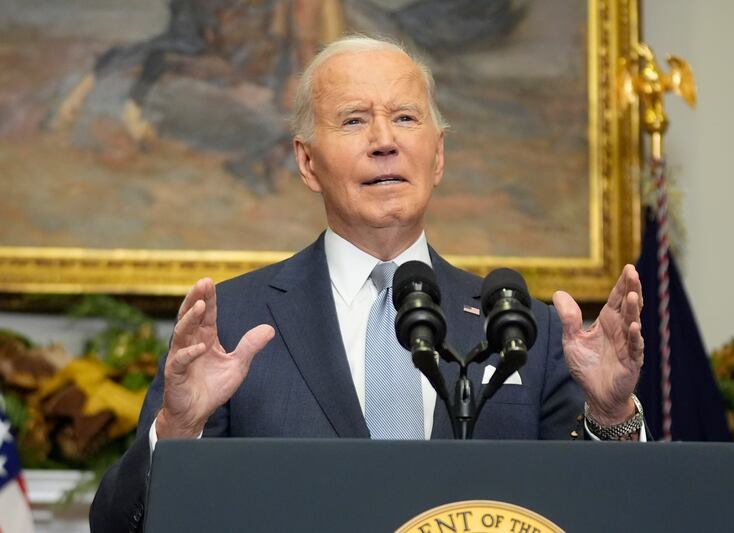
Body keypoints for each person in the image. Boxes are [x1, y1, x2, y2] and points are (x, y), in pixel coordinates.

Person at [89, 35, 645, 532]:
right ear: (307, 163)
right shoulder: (233, 322)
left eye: (405, 118)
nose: (384, 140)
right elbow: (118, 526)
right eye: (354, 120)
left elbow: (606, 511)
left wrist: (613, 416)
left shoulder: (525, 328)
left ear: (439, 155)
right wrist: (180, 430)